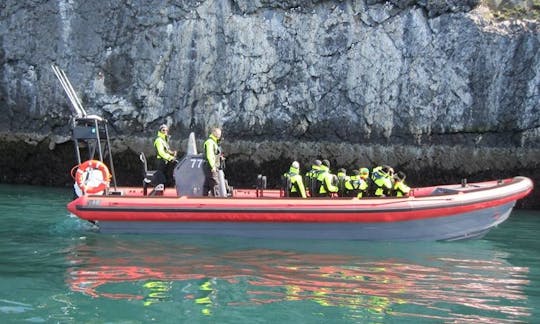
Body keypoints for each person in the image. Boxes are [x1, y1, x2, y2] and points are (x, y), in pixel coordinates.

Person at [203, 127, 223, 196]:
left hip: (210, 166)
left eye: (220, 133)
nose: (219, 135)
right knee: (215, 183)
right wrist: (213, 166)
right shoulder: (210, 142)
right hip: (210, 167)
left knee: (207, 185)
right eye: (218, 133)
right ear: (213, 133)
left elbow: (215, 154)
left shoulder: (214, 142)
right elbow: (210, 155)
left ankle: (203, 198)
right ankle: (216, 200)